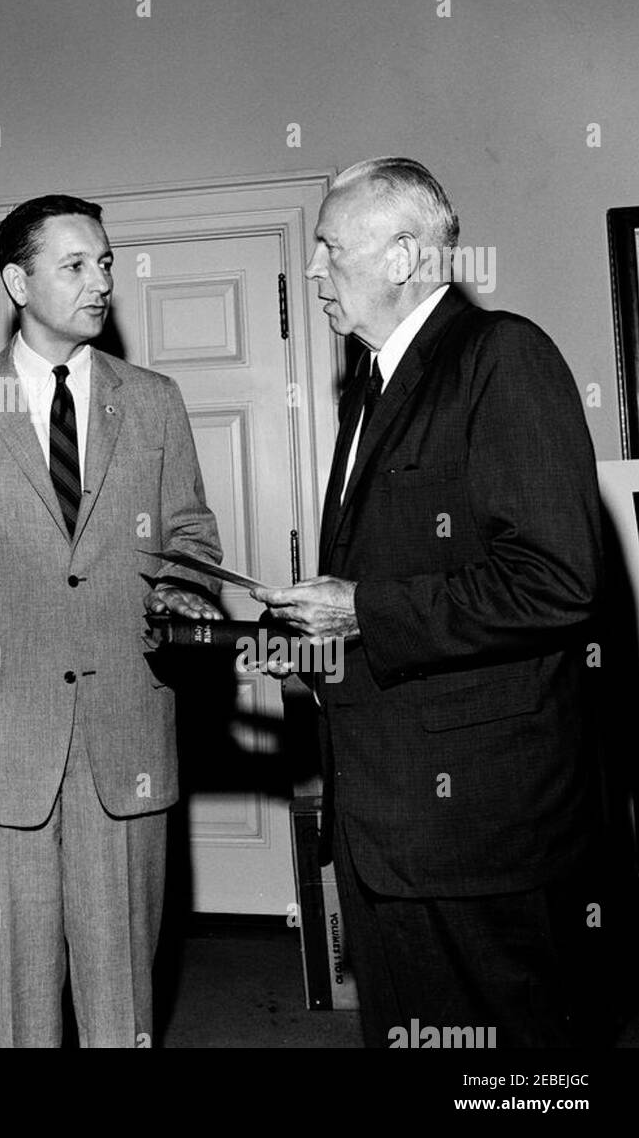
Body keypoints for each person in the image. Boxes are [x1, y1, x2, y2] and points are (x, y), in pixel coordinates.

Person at [253, 157, 603, 1047]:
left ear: (405, 254)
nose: (315, 271)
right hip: (389, 820)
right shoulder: (371, 385)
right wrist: (290, 641)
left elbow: (555, 584)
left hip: (476, 829)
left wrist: (360, 609)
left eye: (330, 249)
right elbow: (391, 579)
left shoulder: (501, 357)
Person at [0, 192, 222, 1047]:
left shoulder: (152, 401)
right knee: (18, 1006)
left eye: (104, 261)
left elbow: (189, 538)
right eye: (74, 264)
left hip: (125, 735)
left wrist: (184, 599)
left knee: (122, 1006)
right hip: (4, 741)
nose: (99, 281)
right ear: (16, 281)